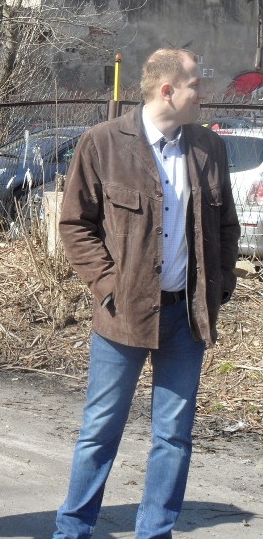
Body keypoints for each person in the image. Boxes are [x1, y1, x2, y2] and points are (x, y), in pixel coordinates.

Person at [53, 48, 240, 539]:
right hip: (123, 315)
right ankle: (73, 529)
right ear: (167, 90)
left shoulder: (207, 148)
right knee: (100, 431)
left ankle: (154, 531)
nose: (204, 94)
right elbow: (75, 225)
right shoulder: (103, 143)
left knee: (173, 436)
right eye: (196, 84)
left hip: (186, 317)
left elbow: (226, 226)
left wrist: (218, 288)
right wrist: (108, 286)